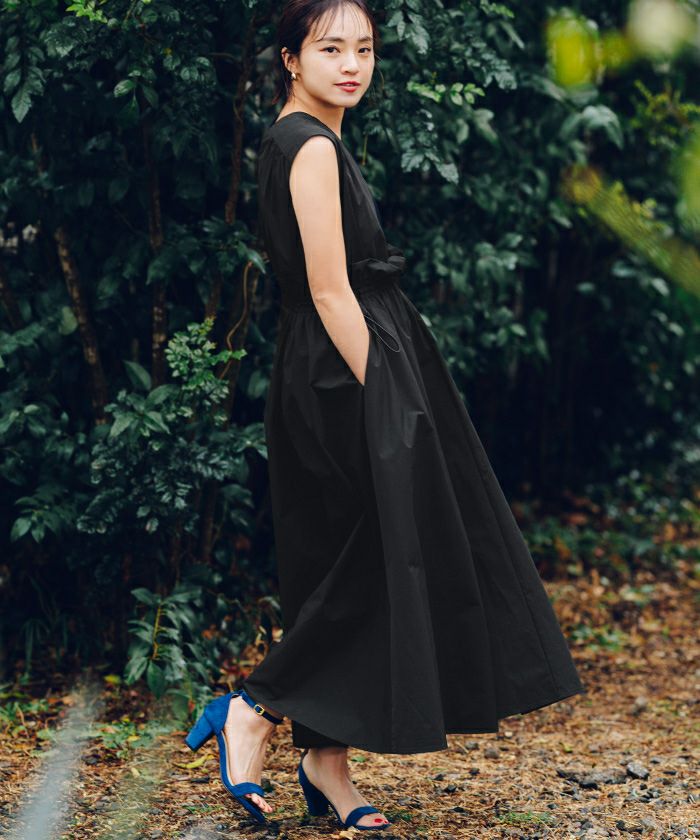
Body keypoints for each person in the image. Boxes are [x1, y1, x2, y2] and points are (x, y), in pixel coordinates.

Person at [186, 0, 586, 830]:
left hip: (336, 363)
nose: (351, 65)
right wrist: (389, 392)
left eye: (363, 48)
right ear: (290, 59)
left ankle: (325, 764)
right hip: (345, 370)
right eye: (330, 48)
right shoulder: (309, 147)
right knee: (378, 551)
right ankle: (253, 708)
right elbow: (331, 290)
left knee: (353, 552)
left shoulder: (297, 139)